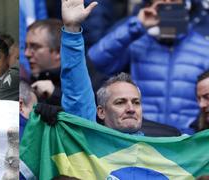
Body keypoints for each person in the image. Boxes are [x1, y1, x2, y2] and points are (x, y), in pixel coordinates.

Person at [36, 0, 180, 136]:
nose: (131, 109)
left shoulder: (161, 150)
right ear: (101, 112)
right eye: (120, 102)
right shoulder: (89, 139)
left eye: (136, 102)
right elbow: (77, 92)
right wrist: (72, 29)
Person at [86, 0, 209, 134]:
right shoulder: (136, 41)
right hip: (146, 134)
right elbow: (95, 60)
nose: (167, 3)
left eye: (173, 1)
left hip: (188, 137)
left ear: (186, 5)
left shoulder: (204, 48)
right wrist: (137, 25)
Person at [25, 19, 62, 105]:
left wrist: (55, 94)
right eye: (26, 47)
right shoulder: (27, 82)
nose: (27, 54)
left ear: (58, 52)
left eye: (35, 47)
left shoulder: (82, 84)